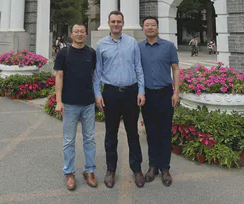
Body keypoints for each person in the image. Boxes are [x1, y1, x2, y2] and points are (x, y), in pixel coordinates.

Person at [94, 11, 146, 189]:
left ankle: (137, 168)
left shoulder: (132, 43)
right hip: (111, 94)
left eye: (119, 21)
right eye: (113, 21)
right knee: (111, 134)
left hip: (131, 93)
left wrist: (141, 90)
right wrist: (98, 94)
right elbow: (97, 73)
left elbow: (138, 67)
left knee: (133, 133)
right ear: (109, 23)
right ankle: (110, 170)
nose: (116, 24)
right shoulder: (101, 45)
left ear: (123, 23)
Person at [54, 23, 97, 191]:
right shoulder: (64, 53)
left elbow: (94, 75)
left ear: (86, 34)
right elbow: (59, 76)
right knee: (68, 140)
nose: (79, 34)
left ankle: (90, 171)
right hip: (70, 103)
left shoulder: (91, 53)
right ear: (71, 34)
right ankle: (69, 173)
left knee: (90, 139)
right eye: (76, 31)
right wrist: (59, 101)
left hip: (88, 103)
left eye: (82, 31)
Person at [139, 17, 180, 187]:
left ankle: (165, 168)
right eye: (147, 25)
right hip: (147, 95)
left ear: (157, 27)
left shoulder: (168, 46)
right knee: (151, 132)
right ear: (143, 28)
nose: (149, 28)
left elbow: (176, 69)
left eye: (152, 25)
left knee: (164, 131)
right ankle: (153, 166)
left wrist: (176, 91)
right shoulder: (138, 47)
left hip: (165, 93)